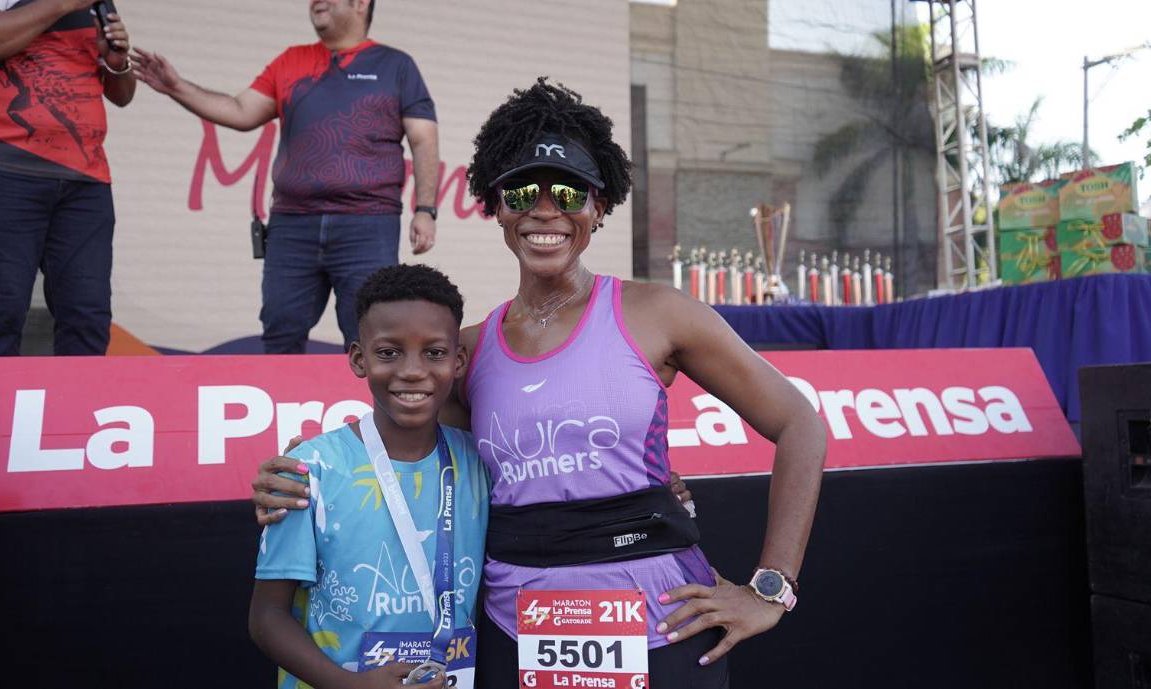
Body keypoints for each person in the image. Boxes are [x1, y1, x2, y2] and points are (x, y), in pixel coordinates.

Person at [254, 78, 827, 688]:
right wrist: (300, 473)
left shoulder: (660, 313)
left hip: (664, 626)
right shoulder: (468, 350)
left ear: (599, 207)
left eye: (570, 192)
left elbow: (801, 424)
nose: (545, 210)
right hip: (516, 632)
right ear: (497, 206)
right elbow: (398, 453)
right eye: (523, 191)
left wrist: (772, 587)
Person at [131, 0, 441, 353]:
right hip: (293, 224)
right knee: (280, 329)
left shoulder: (396, 65)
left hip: (366, 222)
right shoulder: (291, 60)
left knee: (370, 333)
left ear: (359, 4)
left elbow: (423, 138)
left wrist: (425, 209)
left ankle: (367, 410)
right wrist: (175, 86)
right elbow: (241, 110)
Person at [250, 264, 489, 689]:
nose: (412, 370)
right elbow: (267, 617)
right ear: (359, 359)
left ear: (458, 361)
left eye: (433, 352)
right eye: (388, 352)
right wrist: (348, 684)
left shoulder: (479, 462)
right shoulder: (311, 470)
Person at [0, 0, 136, 356]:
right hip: (1, 172)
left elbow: (122, 94)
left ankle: (80, 408)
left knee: (88, 316)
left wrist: (117, 63)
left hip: (86, 181)